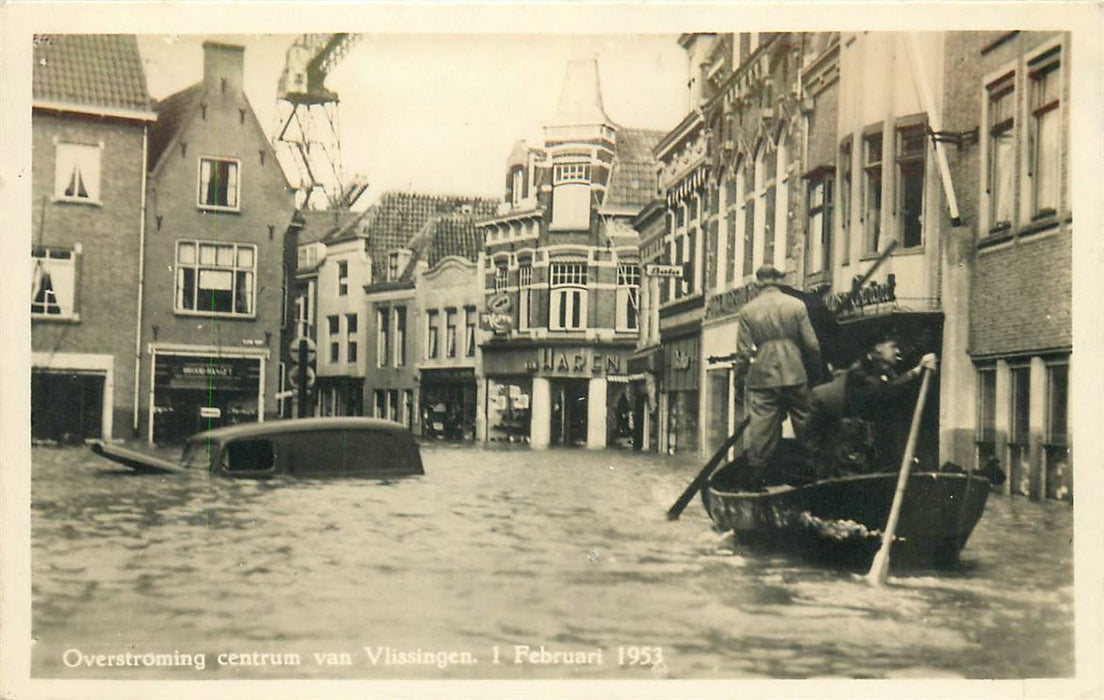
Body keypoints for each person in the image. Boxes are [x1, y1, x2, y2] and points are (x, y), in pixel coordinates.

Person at [732, 264, 823, 487]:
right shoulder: (797, 306)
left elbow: (743, 354)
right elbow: (812, 346)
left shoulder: (747, 310)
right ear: (778, 281)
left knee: (762, 431)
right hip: (795, 372)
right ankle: (818, 476)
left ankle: (756, 483)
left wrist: (738, 379)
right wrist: (815, 374)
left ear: (758, 283)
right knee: (806, 424)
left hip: (763, 376)